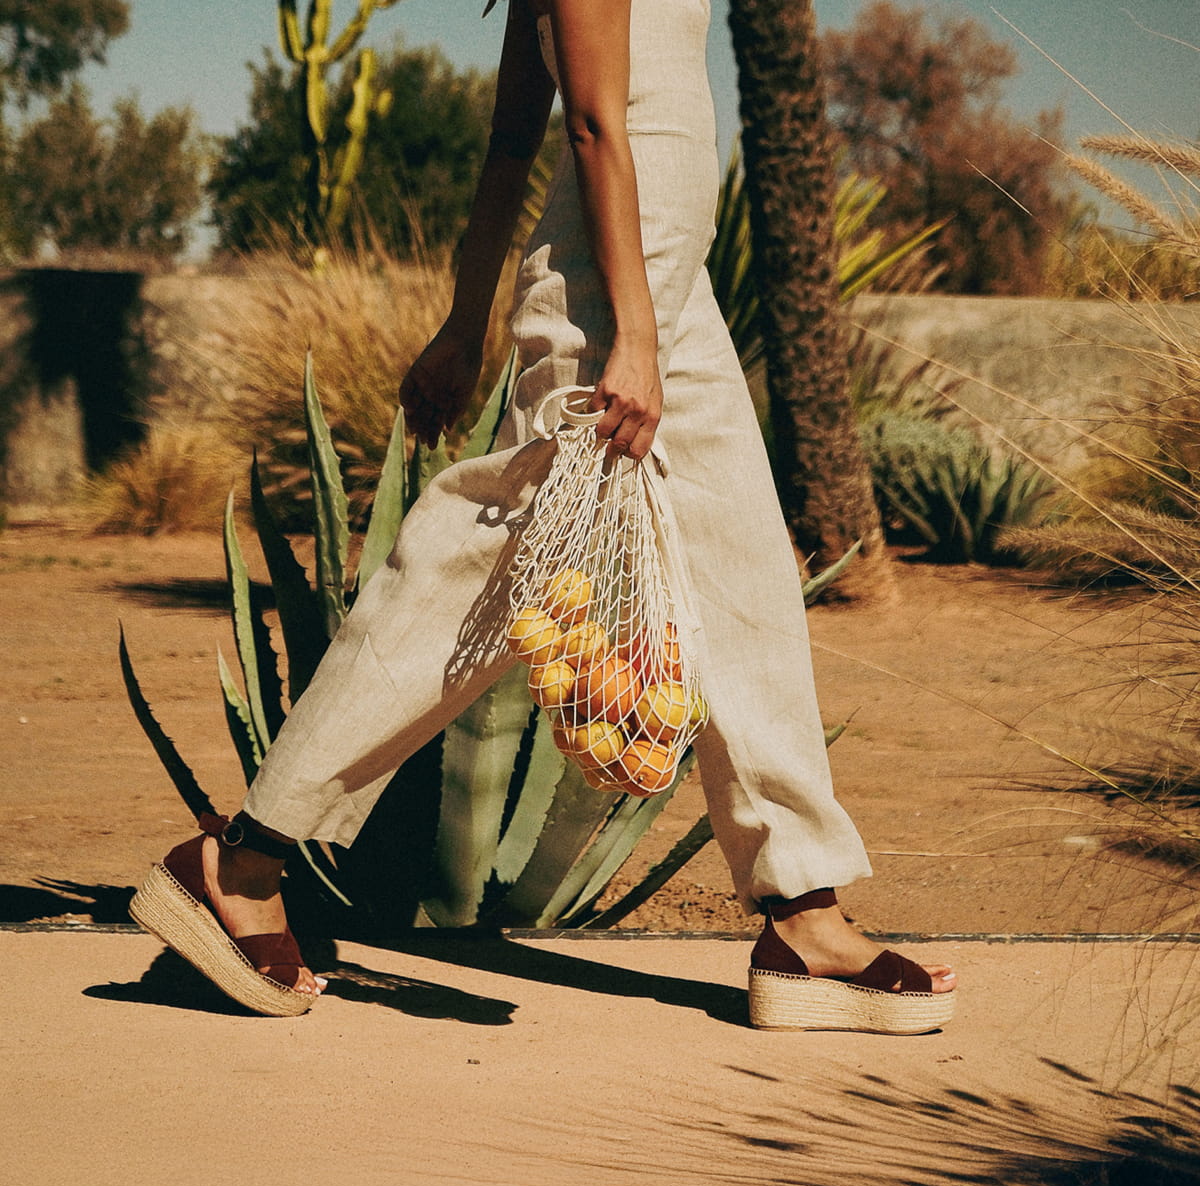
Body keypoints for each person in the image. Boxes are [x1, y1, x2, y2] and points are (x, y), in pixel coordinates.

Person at [130, 0, 956, 1032]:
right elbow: (589, 125)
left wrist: (465, 323)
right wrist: (623, 335)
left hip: (665, 288)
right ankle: (242, 860)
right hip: (618, 295)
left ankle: (803, 914)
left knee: (743, 573)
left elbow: (514, 132)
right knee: (475, 579)